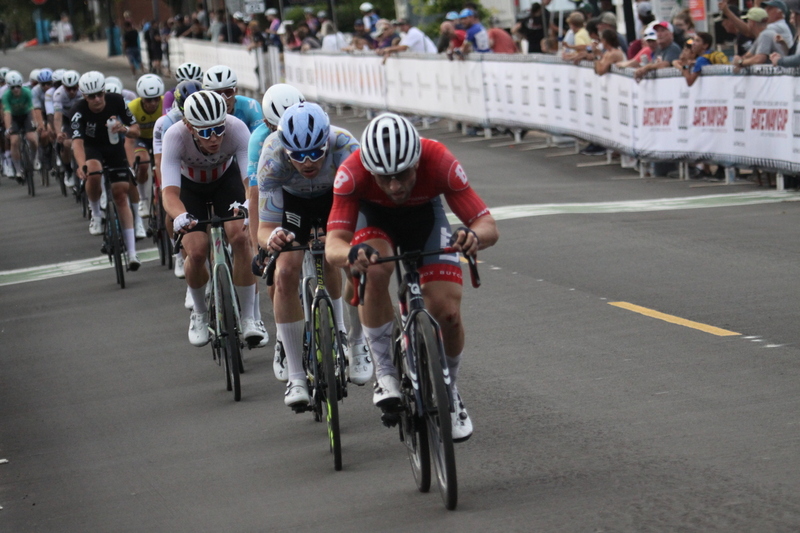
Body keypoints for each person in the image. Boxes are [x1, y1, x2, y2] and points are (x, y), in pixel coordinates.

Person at [324, 113, 499, 442]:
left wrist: (474, 236)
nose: (394, 186)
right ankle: (385, 372)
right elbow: (334, 243)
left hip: (425, 219)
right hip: (373, 219)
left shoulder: (438, 160)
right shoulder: (351, 172)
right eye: (384, 177)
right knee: (374, 270)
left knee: (447, 311)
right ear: (370, 169)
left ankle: (449, 390)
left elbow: (487, 224)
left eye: (402, 174)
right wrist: (350, 255)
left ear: (417, 161)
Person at [256, 102, 373, 406]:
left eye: (315, 153)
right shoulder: (272, 156)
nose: (307, 163)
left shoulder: (345, 145)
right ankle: (296, 376)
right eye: (298, 155)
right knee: (284, 272)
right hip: (292, 206)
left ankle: (357, 343)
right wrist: (273, 238)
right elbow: (265, 226)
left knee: (354, 261)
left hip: (337, 198)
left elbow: (367, 208)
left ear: (326, 142)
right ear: (286, 150)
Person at [161, 90, 263, 347]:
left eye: (218, 129)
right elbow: (169, 194)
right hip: (190, 188)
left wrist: (247, 205)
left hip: (225, 183)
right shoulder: (174, 135)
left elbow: (251, 181)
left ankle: (250, 317)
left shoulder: (237, 129)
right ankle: (199, 311)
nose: (215, 138)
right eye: (205, 132)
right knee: (196, 252)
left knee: (240, 237)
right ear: (188, 125)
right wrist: (181, 216)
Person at [246, 84, 306, 372]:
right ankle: (284, 338)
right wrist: (261, 246)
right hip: (277, 197)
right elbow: (256, 195)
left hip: (306, 193)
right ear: (268, 124)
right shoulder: (261, 141)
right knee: (276, 271)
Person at [71, 71, 142, 268]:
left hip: (114, 147)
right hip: (92, 148)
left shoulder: (117, 100)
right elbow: (77, 142)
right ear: (84, 96)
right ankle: (96, 213)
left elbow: (135, 129)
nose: (97, 99)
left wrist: (124, 129)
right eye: (91, 96)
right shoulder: (78, 110)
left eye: (100, 94)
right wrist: (81, 164)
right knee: (93, 171)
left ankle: (133, 253)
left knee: (121, 194)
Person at [153, 80, 202, 283]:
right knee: (172, 205)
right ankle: (178, 252)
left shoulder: (211, 113)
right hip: (180, 166)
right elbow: (164, 160)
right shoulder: (169, 122)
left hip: (207, 168)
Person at [127, 74, 164, 232]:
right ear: (141, 99)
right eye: (148, 100)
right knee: (142, 163)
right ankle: (143, 198)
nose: (153, 103)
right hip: (140, 139)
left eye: (156, 99)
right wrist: (130, 164)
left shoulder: (166, 103)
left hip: (160, 138)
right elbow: (128, 139)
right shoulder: (132, 107)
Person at [202, 66, 263, 133]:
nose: (224, 99)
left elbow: (258, 139)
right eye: (217, 94)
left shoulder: (251, 106)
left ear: (235, 91)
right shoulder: (201, 111)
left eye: (228, 92)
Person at [2, 70, 38, 181]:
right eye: (13, 88)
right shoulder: (6, 96)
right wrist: (8, 129)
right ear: (9, 87)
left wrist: (35, 122)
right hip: (14, 117)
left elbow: (32, 109)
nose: (16, 90)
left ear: (21, 85)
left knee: (32, 138)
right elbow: (7, 113)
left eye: (18, 86)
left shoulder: (27, 92)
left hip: (26, 115)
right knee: (14, 141)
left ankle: (35, 158)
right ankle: (18, 169)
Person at [52, 69, 81, 186]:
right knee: (66, 144)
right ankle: (68, 170)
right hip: (67, 120)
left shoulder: (83, 91)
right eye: (69, 89)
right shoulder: (59, 94)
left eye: (75, 88)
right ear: (63, 87)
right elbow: (58, 117)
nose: (72, 91)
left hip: (81, 118)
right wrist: (58, 133)